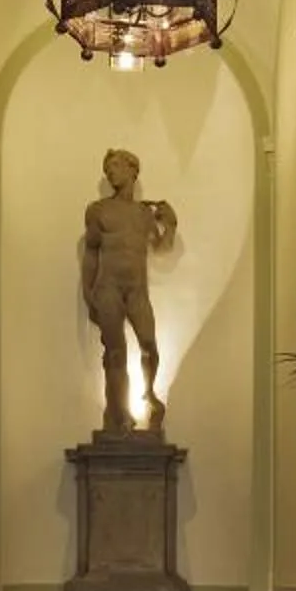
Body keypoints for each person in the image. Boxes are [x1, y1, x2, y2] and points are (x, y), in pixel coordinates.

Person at [81, 147, 177, 435]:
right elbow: (91, 252)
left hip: (137, 291)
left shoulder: (143, 214)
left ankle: (149, 394)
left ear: (133, 170)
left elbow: (161, 247)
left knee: (149, 345)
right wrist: (88, 292)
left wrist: (170, 223)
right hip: (108, 287)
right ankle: (118, 414)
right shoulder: (98, 210)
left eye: (116, 166)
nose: (111, 172)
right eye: (108, 168)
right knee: (115, 352)